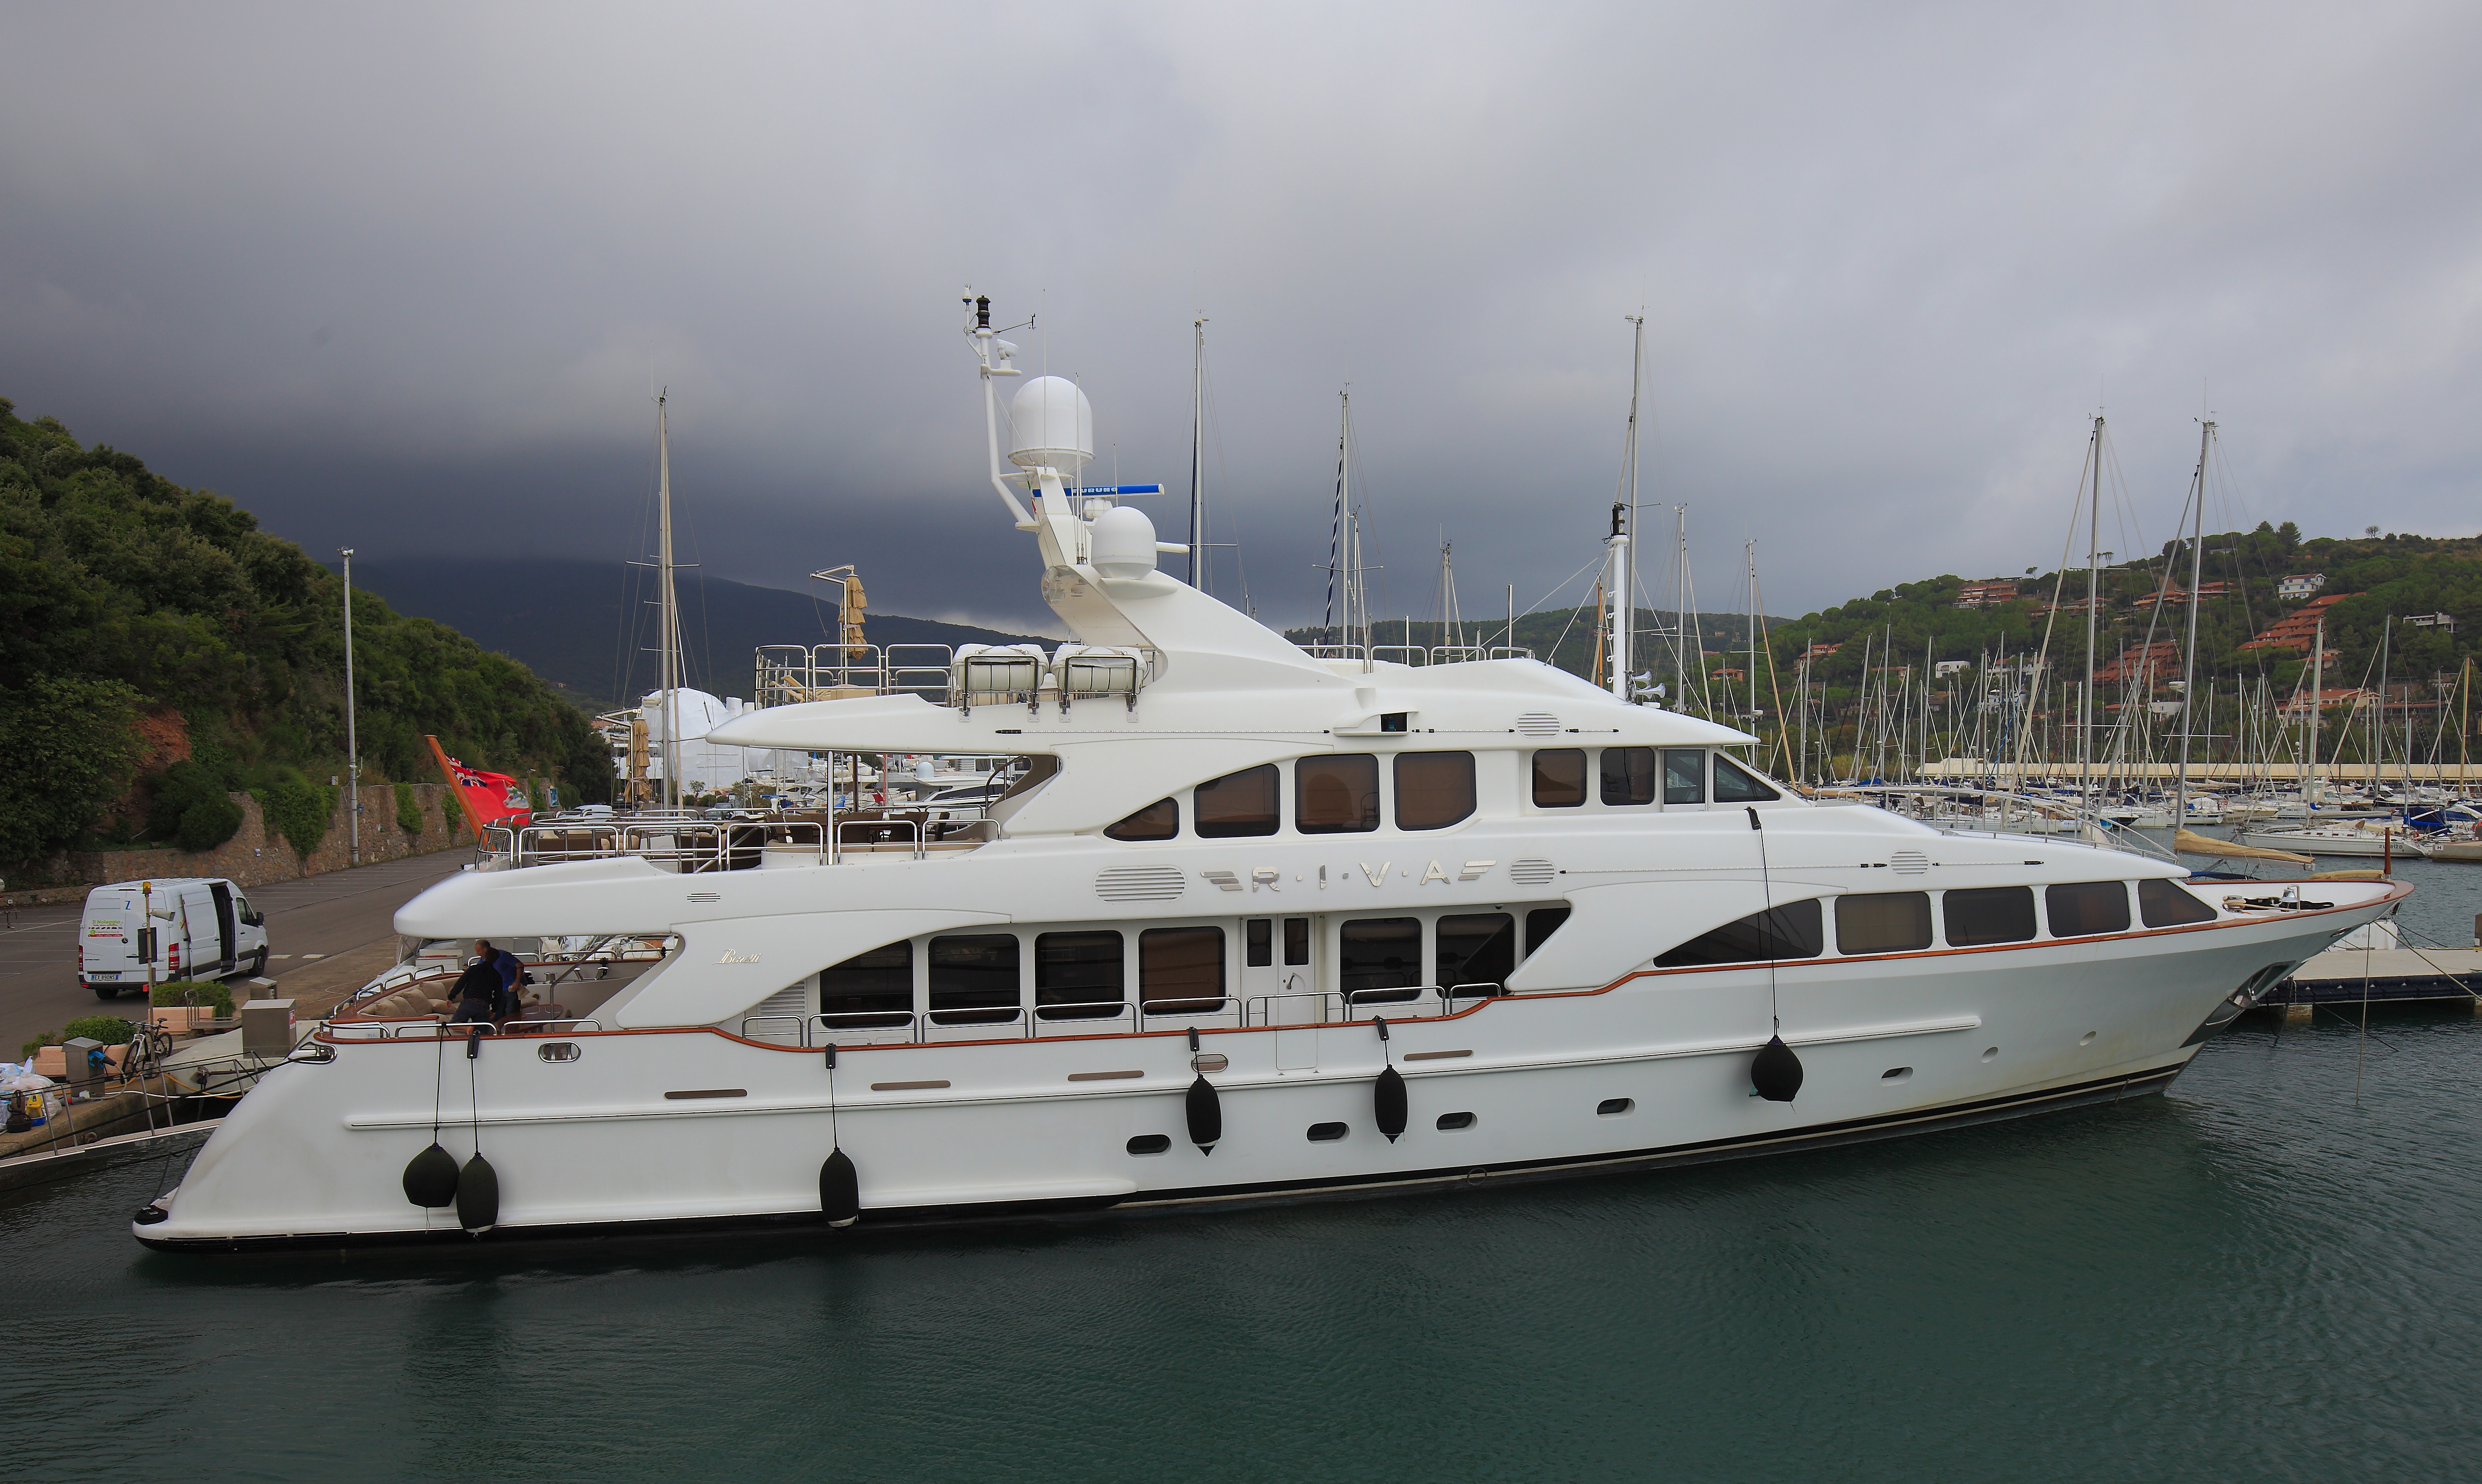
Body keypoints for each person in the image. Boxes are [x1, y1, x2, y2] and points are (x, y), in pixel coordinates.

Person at [447, 940, 504, 1026]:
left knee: (454, 1025)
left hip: (469, 1002)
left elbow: (461, 983)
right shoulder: (497, 976)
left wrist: (451, 997)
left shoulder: (473, 969)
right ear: (496, 961)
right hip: (484, 1005)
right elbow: (498, 995)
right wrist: (494, 1010)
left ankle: (466, 1028)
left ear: (484, 957)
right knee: (481, 1030)